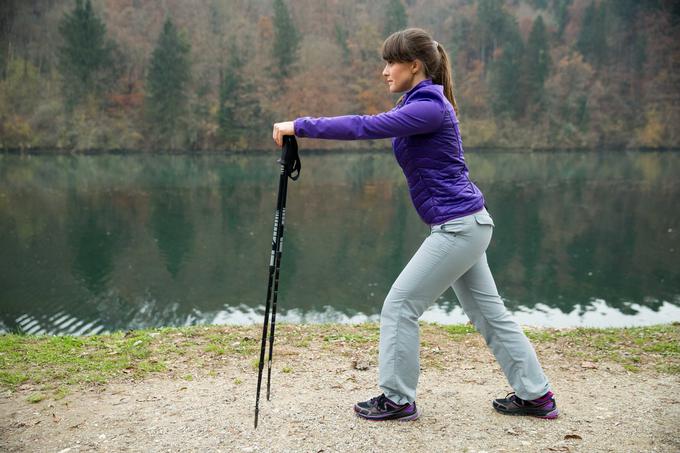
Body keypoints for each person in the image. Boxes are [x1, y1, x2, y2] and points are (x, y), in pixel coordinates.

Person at [271, 28, 558, 422]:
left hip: (459, 227)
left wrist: (300, 125)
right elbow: (374, 125)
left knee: (400, 306)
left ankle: (397, 399)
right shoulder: (420, 104)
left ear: (414, 65)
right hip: (465, 225)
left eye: (391, 62)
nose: (385, 71)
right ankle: (536, 395)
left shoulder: (428, 108)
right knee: (490, 315)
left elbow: (364, 126)